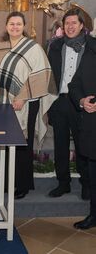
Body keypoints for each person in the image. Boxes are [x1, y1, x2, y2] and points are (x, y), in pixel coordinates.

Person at [0, 11, 55, 199]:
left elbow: (41, 75)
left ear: (24, 27)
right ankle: (4, 184)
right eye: (11, 24)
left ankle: (22, 185)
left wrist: (22, 97)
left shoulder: (33, 48)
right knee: (0, 144)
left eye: (18, 24)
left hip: (23, 104)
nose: (15, 27)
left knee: (22, 144)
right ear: (6, 26)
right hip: (0, 103)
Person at [48, 8, 90, 199]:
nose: (70, 26)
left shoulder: (92, 47)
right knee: (60, 144)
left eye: (74, 23)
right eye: (67, 23)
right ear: (62, 27)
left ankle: (86, 184)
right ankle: (63, 183)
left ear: (82, 25)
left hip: (82, 103)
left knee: (84, 146)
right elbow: (49, 76)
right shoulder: (55, 46)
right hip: (61, 101)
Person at [68, 33, 96, 229]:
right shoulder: (90, 53)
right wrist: (81, 100)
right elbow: (74, 84)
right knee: (94, 174)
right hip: (92, 125)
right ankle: (94, 215)